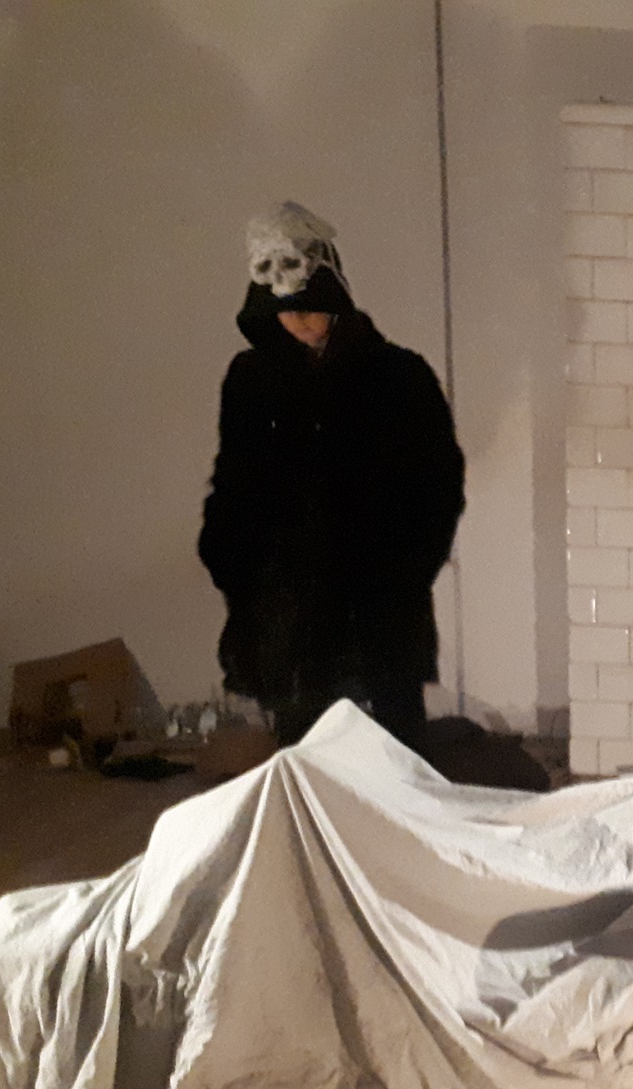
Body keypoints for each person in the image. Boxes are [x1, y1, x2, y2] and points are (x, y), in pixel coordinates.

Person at [198, 201, 464, 748]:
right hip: (288, 611)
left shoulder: (400, 376)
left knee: (393, 758)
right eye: (283, 309)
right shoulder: (251, 380)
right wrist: (231, 563)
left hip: (378, 605)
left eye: (309, 306)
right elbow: (234, 482)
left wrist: (408, 569)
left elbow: (439, 483)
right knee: (303, 757)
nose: (296, 319)